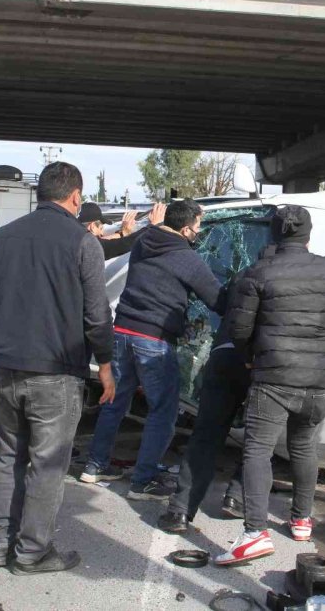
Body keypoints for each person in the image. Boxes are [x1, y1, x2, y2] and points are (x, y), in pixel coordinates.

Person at [158, 219, 325, 535]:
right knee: (262, 438)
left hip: (226, 357)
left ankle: (180, 511)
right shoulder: (297, 274)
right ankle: (236, 496)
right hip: (262, 363)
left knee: (207, 435)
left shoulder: (247, 274)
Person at [0, 161, 115, 574]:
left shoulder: (2, 237)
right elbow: (97, 314)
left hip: (5, 367)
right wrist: (106, 365)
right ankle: (31, 553)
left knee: (7, 459)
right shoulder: (82, 241)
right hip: (55, 373)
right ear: (75, 197)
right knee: (47, 465)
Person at [214, 205, 325, 565]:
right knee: (304, 448)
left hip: (272, 378)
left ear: (274, 235)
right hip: (316, 380)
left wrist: (250, 356)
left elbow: (239, 330)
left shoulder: (258, 272)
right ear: (308, 236)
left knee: (258, 450)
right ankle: (301, 519)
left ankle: (255, 532)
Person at [81, 199, 226, 501]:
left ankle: (95, 465)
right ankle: (143, 480)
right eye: (198, 226)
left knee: (115, 402)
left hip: (121, 331)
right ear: (186, 229)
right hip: (155, 339)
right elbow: (218, 300)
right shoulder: (187, 258)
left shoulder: (146, 240)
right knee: (163, 410)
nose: (199, 231)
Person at [78, 201, 167, 260]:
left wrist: (123, 232)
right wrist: (153, 225)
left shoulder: (73, 237)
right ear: (92, 226)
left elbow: (106, 241)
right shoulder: (89, 246)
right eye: (101, 228)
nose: (102, 234)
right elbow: (124, 244)